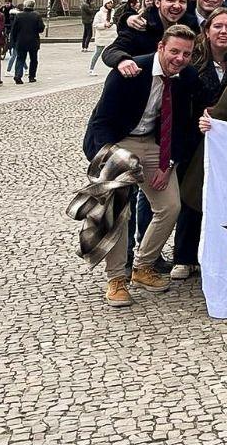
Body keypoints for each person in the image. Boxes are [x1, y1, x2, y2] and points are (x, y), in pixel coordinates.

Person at [82, 24, 202, 307]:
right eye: (174, 51)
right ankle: (116, 279)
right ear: (161, 47)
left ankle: (143, 266)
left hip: (155, 144)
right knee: (116, 210)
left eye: (186, 54)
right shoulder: (130, 71)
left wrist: (168, 163)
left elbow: (183, 125)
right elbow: (102, 120)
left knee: (170, 206)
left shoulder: (187, 77)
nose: (180, 59)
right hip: (119, 141)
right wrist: (109, 157)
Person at [170, 8, 227, 280]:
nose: (224, 31)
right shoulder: (192, 59)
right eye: (218, 26)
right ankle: (184, 256)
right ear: (206, 31)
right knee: (192, 195)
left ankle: (218, 255)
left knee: (226, 198)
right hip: (195, 137)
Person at [102, 0, 195, 69]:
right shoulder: (141, 26)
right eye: (170, 0)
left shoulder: (191, 26)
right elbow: (112, 51)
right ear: (157, 2)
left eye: (182, 1)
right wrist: (123, 60)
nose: (177, 6)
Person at [10, 0, 46, 84]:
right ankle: (31, 77)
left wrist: (13, 41)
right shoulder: (36, 15)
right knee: (33, 59)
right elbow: (41, 28)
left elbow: (14, 30)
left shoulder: (19, 15)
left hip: (21, 41)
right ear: (33, 6)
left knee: (20, 58)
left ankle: (18, 76)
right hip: (33, 41)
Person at [88, 0, 118, 72]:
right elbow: (95, 24)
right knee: (98, 53)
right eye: (108, 3)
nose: (110, 5)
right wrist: (104, 25)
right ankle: (91, 69)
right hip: (102, 36)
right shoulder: (99, 13)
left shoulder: (114, 12)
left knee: (115, 52)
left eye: (111, 3)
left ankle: (116, 68)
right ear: (105, 4)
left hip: (112, 35)